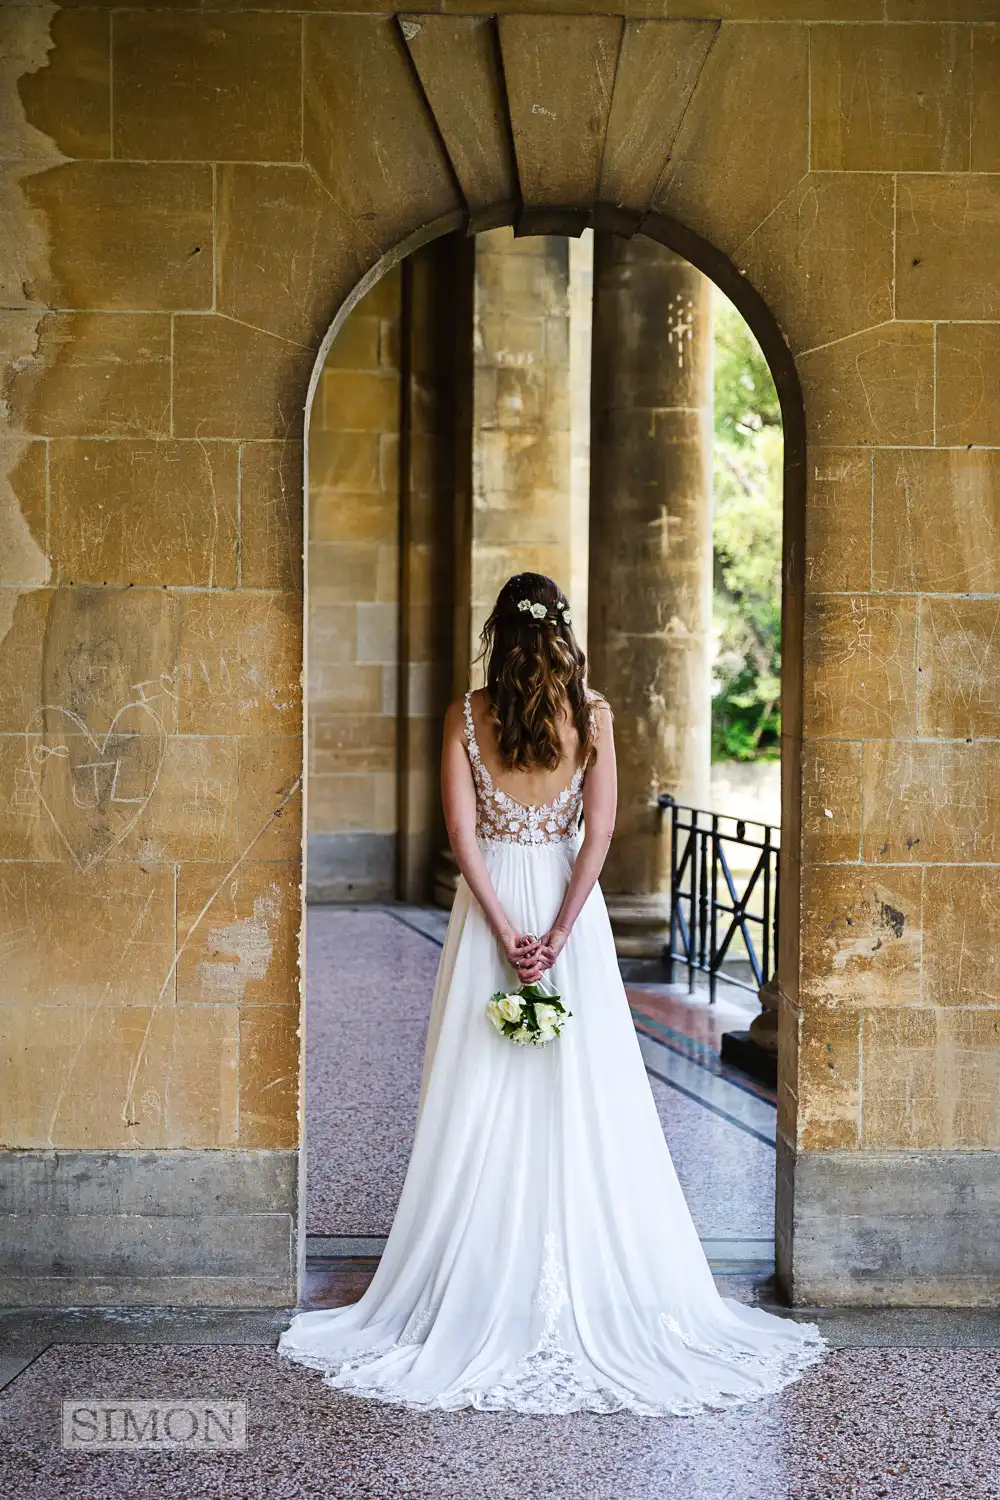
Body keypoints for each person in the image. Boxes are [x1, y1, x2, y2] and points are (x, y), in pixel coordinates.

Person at [278, 572, 822, 1414]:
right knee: (587, 1090)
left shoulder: (466, 715)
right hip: (572, 918)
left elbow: (463, 836)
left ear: (498, 632)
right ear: (563, 631)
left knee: (477, 1084)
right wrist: (560, 937)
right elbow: (598, 835)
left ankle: (472, 1268)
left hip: (490, 909)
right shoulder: (594, 715)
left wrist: (504, 933)